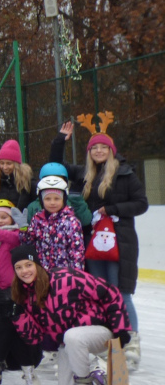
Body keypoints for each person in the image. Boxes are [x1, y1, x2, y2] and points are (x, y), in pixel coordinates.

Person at [51, 117, 148, 368]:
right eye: (94, 148)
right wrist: (61, 140)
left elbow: (141, 204)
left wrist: (112, 209)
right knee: (99, 293)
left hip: (120, 242)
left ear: (111, 150)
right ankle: (109, 340)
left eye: (103, 147)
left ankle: (131, 339)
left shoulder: (125, 174)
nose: (99, 151)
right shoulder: (84, 174)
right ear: (89, 153)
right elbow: (56, 165)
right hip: (91, 243)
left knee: (120, 291)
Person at [10, 244, 131, 385]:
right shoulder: (26, 297)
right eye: (19, 267)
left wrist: (120, 328)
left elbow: (110, 292)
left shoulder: (66, 278)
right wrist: (18, 315)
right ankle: (98, 379)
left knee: (72, 336)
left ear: (37, 264)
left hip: (100, 331)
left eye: (28, 265)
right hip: (69, 343)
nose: (24, 271)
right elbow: (36, 337)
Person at [24, 176, 84, 271]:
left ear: (63, 199)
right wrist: (23, 230)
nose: (52, 203)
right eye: (48, 199)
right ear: (41, 200)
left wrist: (76, 274)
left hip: (64, 273)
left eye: (57, 199)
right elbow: (29, 243)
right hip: (42, 271)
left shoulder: (71, 221)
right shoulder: (37, 219)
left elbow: (76, 251)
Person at [24, 163, 91, 226]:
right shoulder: (33, 206)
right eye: (49, 179)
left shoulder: (70, 202)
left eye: (58, 179)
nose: (53, 183)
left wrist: (76, 199)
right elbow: (29, 232)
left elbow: (85, 221)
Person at [0, 140, 36, 211]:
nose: (5, 167)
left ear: (16, 164)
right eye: (2, 163)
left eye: (9, 163)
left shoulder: (28, 183)